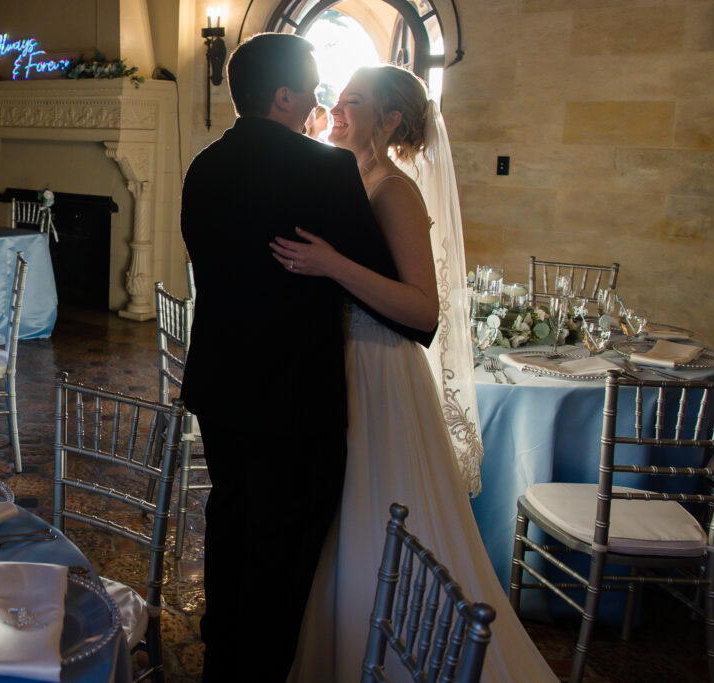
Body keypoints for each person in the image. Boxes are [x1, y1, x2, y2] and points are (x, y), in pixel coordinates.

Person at [272, 65, 558, 682]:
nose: (337, 111)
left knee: (376, 515)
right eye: (337, 100)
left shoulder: (394, 190)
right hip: (344, 363)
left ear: (390, 120)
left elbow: (423, 308)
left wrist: (331, 265)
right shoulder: (351, 178)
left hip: (381, 370)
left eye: (353, 102)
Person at [180, 36, 432, 683]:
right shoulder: (324, 172)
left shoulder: (202, 167)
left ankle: (219, 657)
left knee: (232, 522)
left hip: (220, 389)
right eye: (316, 91)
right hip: (295, 402)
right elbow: (390, 293)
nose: (321, 104)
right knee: (284, 554)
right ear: (284, 96)